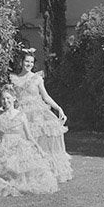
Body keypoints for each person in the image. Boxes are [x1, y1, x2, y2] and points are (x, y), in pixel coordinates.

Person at [0, 87, 59, 197]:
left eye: (8, 98)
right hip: (2, 148)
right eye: (3, 99)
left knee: (20, 169)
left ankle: (16, 185)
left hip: (18, 148)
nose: (6, 101)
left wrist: (39, 149)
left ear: (14, 98)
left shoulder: (21, 115)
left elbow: (29, 136)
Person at [10, 48, 73, 182]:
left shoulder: (37, 78)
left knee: (39, 142)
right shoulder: (14, 79)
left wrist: (59, 109)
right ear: (21, 62)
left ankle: (44, 173)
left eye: (31, 62)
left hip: (38, 114)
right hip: (21, 115)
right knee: (23, 144)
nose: (29, 64)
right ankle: (26, 174)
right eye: (27, 61)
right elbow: (11, 99)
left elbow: (46, 97)